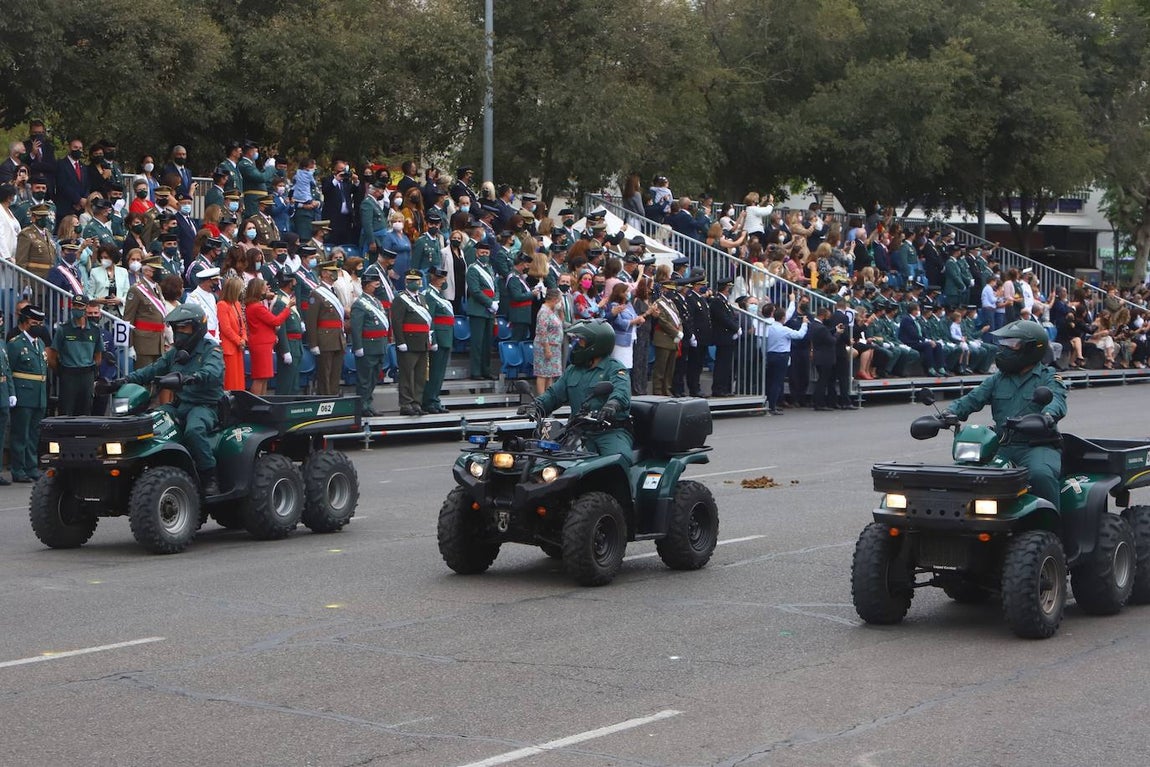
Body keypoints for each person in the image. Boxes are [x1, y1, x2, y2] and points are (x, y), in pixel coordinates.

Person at [942, 321, 1068, 510]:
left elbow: (1056, 399)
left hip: (1036, 446)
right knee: (964, 472)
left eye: (1011, 344)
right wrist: (947, 414)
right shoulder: (998, 378)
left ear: (1032, 348)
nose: (1003, 349)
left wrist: (1048, 416)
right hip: (1002, 446)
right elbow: (972, 399)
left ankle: (1052, 529)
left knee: (1040, 475)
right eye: (1003, 343)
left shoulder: (1048, 376)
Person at [119, 304, 225, 495]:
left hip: (204, 406)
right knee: (150, 423)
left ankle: (210, 476)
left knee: (194, 431)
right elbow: (153, 369)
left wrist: (194, 377)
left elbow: (213, 371)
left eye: (184, 328)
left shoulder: (211, 349)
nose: (179, 332)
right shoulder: (176, 352)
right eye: (176, 328)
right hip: (179, 406)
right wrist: (124, 380)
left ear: (197, 328)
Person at [521, 320, 633, 466]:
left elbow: (621, 391)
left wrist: (612, 404)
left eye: (581, 341)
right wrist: (537, 405)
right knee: (543, 460)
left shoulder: (614, 369)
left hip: (608, 432)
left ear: (596, 344)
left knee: (618, 461)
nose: (577, 344)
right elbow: (554, 394)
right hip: (576, 431)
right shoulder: (573, 370)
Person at [8, 305, 48, 482]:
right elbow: (8, 369)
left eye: (40, 323)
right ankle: (18, 469)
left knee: (34, 434)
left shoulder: (39, 343)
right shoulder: (16, 344)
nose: (37, 326)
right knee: (20, 434)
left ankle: (31, 467)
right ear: (24, 324)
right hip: (23, 394)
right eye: (34, 323)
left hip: (39, 394)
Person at [391, 269, 433, 415]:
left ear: (420, 282)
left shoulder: (422, 298)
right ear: (406, 282)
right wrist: (400, 341)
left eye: (416, 281)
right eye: (410, 281)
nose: (413, 283)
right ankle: (406, 404)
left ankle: (416, 402)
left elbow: (427, 322)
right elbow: (397, 321)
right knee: (407, 375)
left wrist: (430, 340)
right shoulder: (400, 298)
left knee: (420, 376)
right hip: (408, 342)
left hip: (422, 342)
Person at [349, 266, 390, 415]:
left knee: (373, 378)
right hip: (367, 346)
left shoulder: (377, 302)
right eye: (375, 283)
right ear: (367, 285)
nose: (377, 286)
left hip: (379, 346)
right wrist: (358, 346)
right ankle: (362, 405)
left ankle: (368, 403)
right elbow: (356, 328)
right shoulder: (360, 304)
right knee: (364, 379)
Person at [305, 260, 347, 395]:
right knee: (324, 374)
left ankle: (333, 396)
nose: (335, 273)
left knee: (335, 373)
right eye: (331, 271)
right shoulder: (316, 294)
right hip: (324, 339)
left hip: (337, 338)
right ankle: (325, 398)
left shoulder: (335, 292)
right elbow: (311, 321)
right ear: (323, 273)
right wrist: (313, 344)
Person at [422, 266, 455, 414]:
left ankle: (435, 399)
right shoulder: (429, 295)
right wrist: (433, 339)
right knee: (434, 372)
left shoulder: (439, 295)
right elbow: (430, 319)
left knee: (440, 373)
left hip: (446, 337)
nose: (443, 281)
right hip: (438, 338)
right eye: (441, 278)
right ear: (434, 279)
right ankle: (429, 400)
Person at [466, 240, 498, 379]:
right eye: (482, 252)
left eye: (487, 252)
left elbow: (495, 288)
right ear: (477, 253)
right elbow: (475, 290)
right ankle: (476, 371)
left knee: (487, 343)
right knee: (477, 343)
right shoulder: (473, 269)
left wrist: (496, 301)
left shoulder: (490, 269)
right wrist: (490, 303)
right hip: (478, 309)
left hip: (490, 311)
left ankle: (486, 370)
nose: (485, 255)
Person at [271, 268, 305, 395]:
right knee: (286, 383)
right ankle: (283, 409)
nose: (296, 284)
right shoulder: (280, 301)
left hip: (296, 344)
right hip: (289, 344)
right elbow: (280, 327)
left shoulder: (287, 298)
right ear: (290, 283)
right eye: (294, 281)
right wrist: (285, 350)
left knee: (294, 382)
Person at [217, 276, 248, 392]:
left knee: (239, 381)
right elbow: (226, 328)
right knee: (231, 381)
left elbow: (242, 325)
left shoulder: (237, 304)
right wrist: (238, 340)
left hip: (239, 348)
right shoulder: (222, 305)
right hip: (229, 348)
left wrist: (244, 338)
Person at [0, 310, 12, 483]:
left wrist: (11, 392)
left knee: (1, 433)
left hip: (2, 391)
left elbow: (7, 369)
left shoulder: (2, 343)